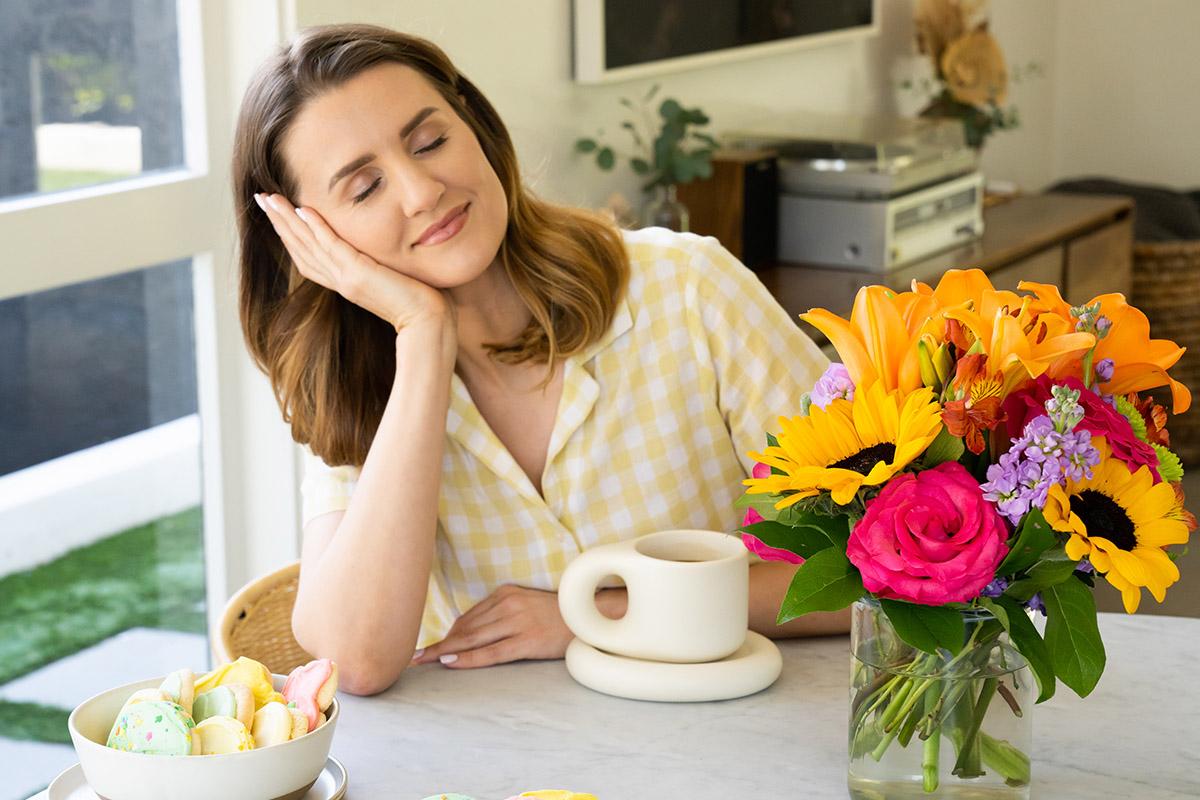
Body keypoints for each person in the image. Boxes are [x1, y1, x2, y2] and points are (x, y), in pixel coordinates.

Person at [233, 23, 847, 696]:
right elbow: (355, 660)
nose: (421, 191)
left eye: (431, 141)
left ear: (476, 128)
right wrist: (423, 336)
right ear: (308, 239)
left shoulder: (688, 288)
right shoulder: (360, 388)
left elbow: (890, 571)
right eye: (364, 187)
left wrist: (597, 614)